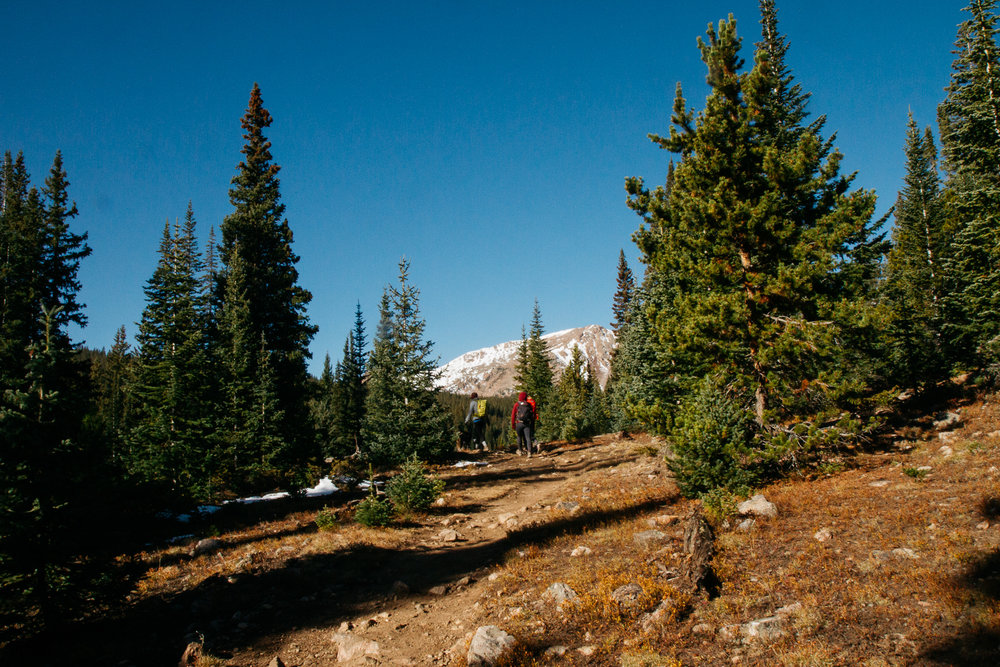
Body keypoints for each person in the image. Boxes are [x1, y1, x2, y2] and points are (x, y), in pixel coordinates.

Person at [511, 391, 536, 458]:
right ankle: (529, 452)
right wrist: (532, 424)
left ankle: (520, 451)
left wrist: (513, 424)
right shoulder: (528, 404)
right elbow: (532, 415)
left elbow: (513, 415)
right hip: (527, 424)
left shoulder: (517, 404)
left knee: (519, 437)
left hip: (519, 423)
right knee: (528, 438)